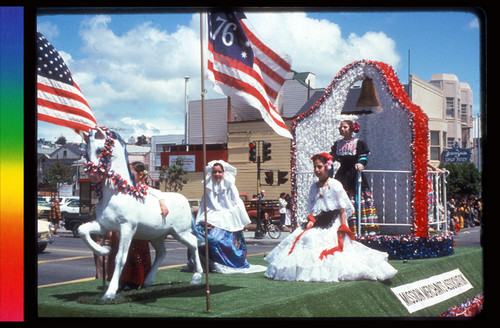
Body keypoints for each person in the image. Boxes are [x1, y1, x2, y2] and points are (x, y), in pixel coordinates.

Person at [265, 153, 397, 282]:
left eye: (320, 167)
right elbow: (312, 207)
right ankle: (300, 268)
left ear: (327, 167)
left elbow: (342, 208)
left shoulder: (335, 184)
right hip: (318, 220)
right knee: (300, 236)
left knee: (316, 238)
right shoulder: (314, 186)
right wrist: (310, 220)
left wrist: (343, 226)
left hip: (333, 221)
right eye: (315, 167)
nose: (317, 170)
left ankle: (317, 269)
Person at [192, 160, 266, 274]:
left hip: (227, 218)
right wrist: (204, 220)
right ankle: (202, 263)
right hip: (210, 216)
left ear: (224, 173)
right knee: (197, 235)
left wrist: (224, 220)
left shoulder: (230, 185)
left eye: (219, 172)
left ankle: (222, 262)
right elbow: (204, 205)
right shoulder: (208, 186)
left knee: (215, 239)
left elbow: (236, 203)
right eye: (215, 172)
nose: (217, 174)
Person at [107, 161, 168, 290]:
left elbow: (158, 193)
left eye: (131, 172)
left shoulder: (143, 188)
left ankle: (134, 281)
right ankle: (120, 280)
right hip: (122, 228)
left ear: (140, 175)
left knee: (135, 255)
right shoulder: (124, 187)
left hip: (136, 230)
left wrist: (162, 204)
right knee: (119, 253)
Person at [330, 120, 378, 235]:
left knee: (356, 198)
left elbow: (363, 157)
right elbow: (332, 157)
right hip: (342, 174)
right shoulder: (337, 144)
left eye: (345, 127)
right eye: (341, 127)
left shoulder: (358, 143)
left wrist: (361, 163)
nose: (342, 129)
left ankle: (359, 230)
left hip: (354, 173)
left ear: (352, 128)